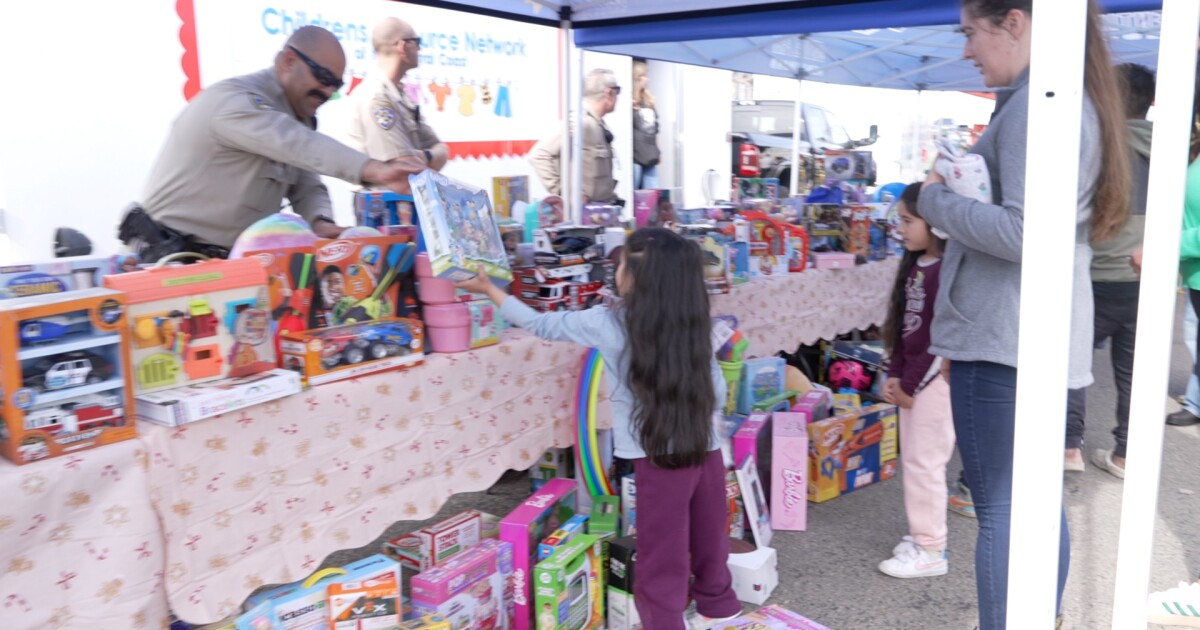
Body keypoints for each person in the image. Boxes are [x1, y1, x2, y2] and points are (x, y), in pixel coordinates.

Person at [918, 1, 1129, 628]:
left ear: (1014, 22)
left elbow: (1023, 233)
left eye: (970, 32)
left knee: (1006, 508)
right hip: (1024, 331)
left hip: (1004, 335)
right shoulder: (1067, 99)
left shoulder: (1041, 105)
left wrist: (932, 200)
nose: (965, 50)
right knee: (1034, 507)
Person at [455, 228, 740, 629]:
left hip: (656, 454)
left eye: (621, 263)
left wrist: (489, 289)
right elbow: (718, 389)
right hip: (705, 447)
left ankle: (665, 621)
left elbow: (541, 325)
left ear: (638, 276)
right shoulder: (695, 320)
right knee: (710, 533)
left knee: (662, 550)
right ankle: (720, 606)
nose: (615, 270)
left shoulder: (608, 322)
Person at [125, 26, 422, 261]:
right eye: (321, 77)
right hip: (170, 258)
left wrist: (319, 221)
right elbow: (296, 144)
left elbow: (306, 181)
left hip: (228, 264)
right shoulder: (235, 102)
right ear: (288, 61)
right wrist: (375, 169)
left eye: (336, 84)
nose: (327, 91)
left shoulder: (296, 116)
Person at [1062, 63, 1155, 477]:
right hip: (1145, 282)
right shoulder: (1176, 151)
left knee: (1070, 363)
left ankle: (1068, 447)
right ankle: (1125, 455)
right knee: (1134, 373)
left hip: (1095, 276)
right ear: (1150, 102)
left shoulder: (1098, 147)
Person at [878, 182, 956, 579]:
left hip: (933, 384)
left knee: (925, 463)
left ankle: (931, 550)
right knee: (915, 459)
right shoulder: (915, 266)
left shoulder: (946, 270)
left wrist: (908, 384)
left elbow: (936, 340)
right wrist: (893, 374)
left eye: (908, 221)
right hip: (914, 383)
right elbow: (903, 331)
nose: (900, 228)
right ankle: (922, 536)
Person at [347, 18, 450, 194]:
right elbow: (405, 171)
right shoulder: (377, 98)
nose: (419, 49)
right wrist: (428, 157)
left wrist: (425, 156)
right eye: (417, 42)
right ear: (402, 46)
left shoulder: (401, 96)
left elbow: (443, 150)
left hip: (405, 207)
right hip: (383, 212)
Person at [529, 69, 620, 204]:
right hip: (586, 216)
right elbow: (539, 155)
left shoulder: (597, 123)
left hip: (601, 212)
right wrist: (564, 193)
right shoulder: (580, 122)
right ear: (609, 93)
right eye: (617, 92)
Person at [631, 59, 661, 190]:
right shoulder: (630, 102)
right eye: (643, 76)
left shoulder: (649, 101)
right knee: (634, 195)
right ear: (636, 78)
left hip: (651, 156)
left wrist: (658, 151)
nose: (646, 79)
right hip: (636, 157)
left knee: (651, 197)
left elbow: (655, 129)